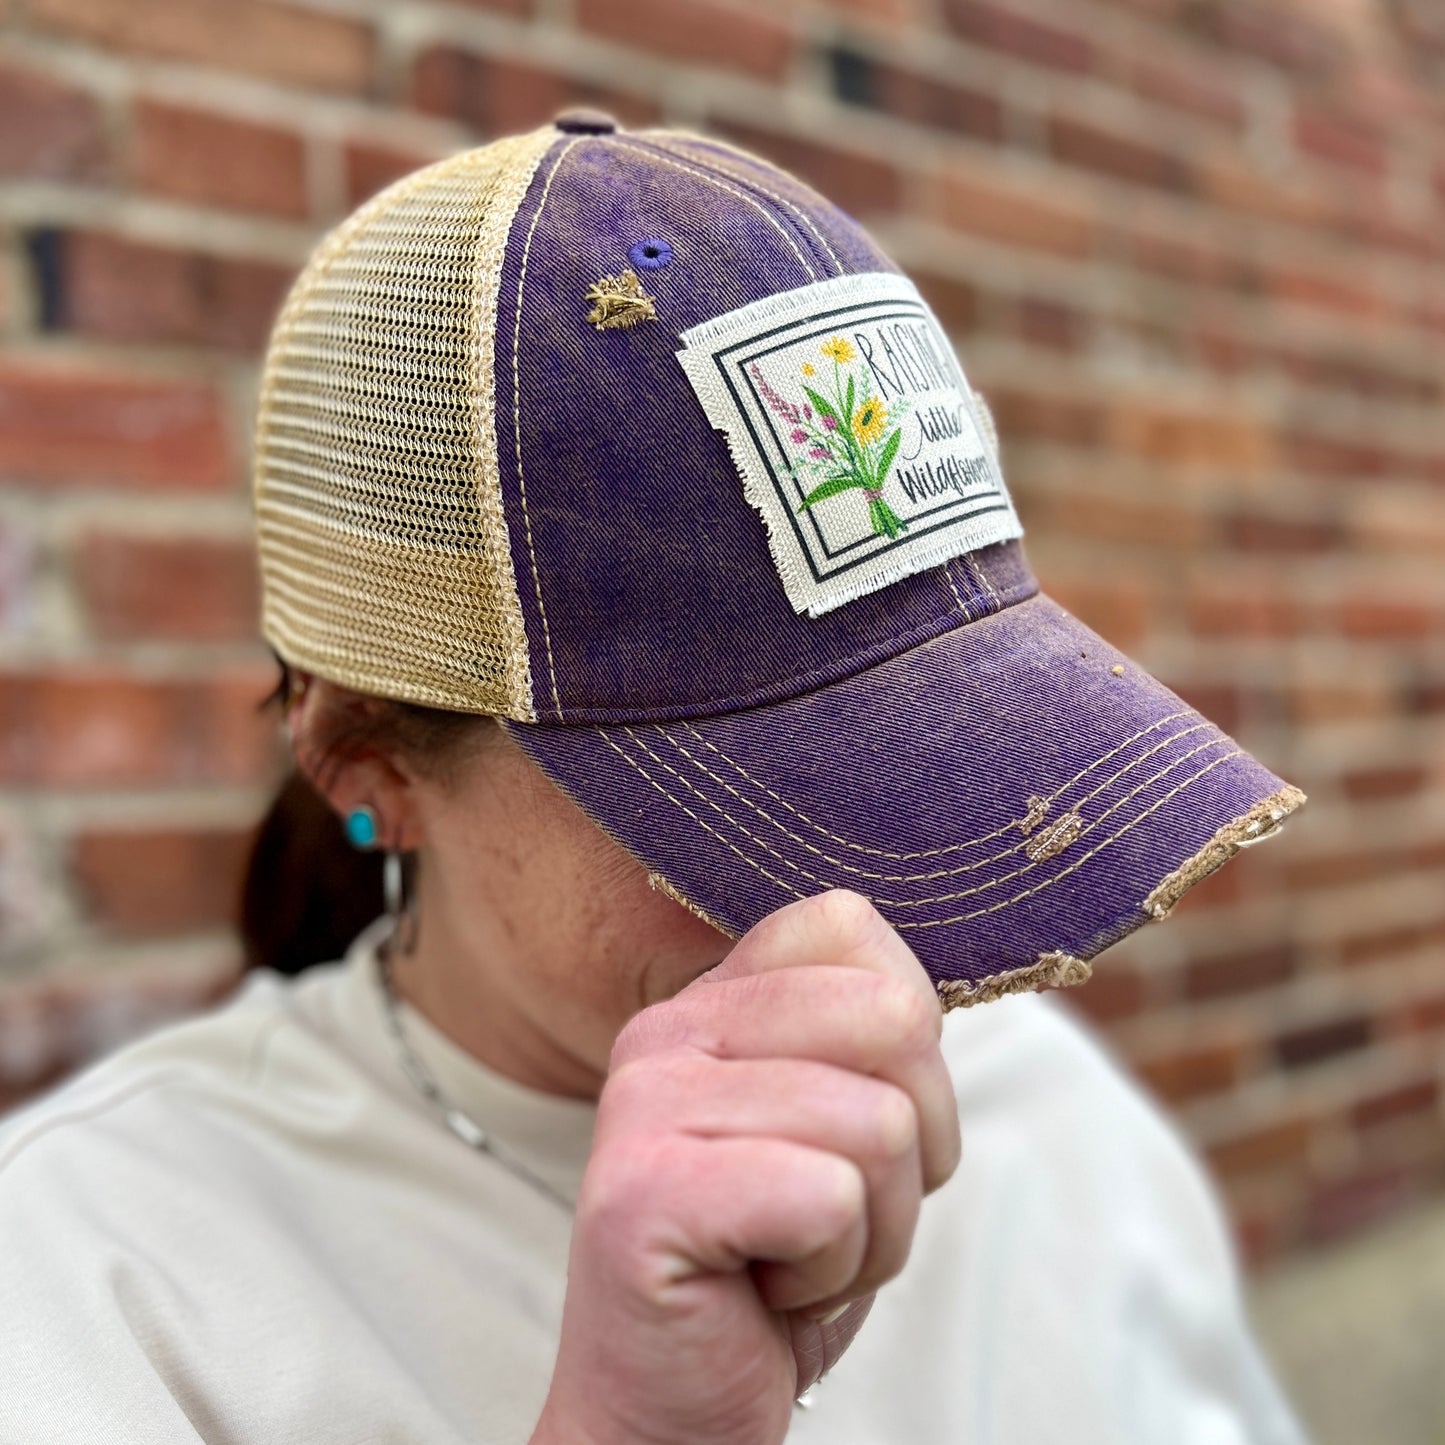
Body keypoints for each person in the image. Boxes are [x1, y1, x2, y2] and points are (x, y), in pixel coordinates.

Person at [0, 112, 1310, 1444]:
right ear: (370, 771)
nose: (879, 937)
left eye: (942, 761)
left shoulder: (1044, 1104)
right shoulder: (99, 1283)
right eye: (760, 806)